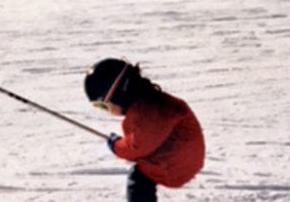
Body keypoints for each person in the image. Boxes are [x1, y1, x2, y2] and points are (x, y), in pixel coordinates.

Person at [84, 58, 205, 202]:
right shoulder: (147, 102)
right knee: (142, 169)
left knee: (139, 177)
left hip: (177, 163)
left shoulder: (148, 113)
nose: (107, 112)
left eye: (104, 106)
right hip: (175, 152)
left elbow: (135, 148)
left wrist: (116, 145)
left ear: (119, 96)